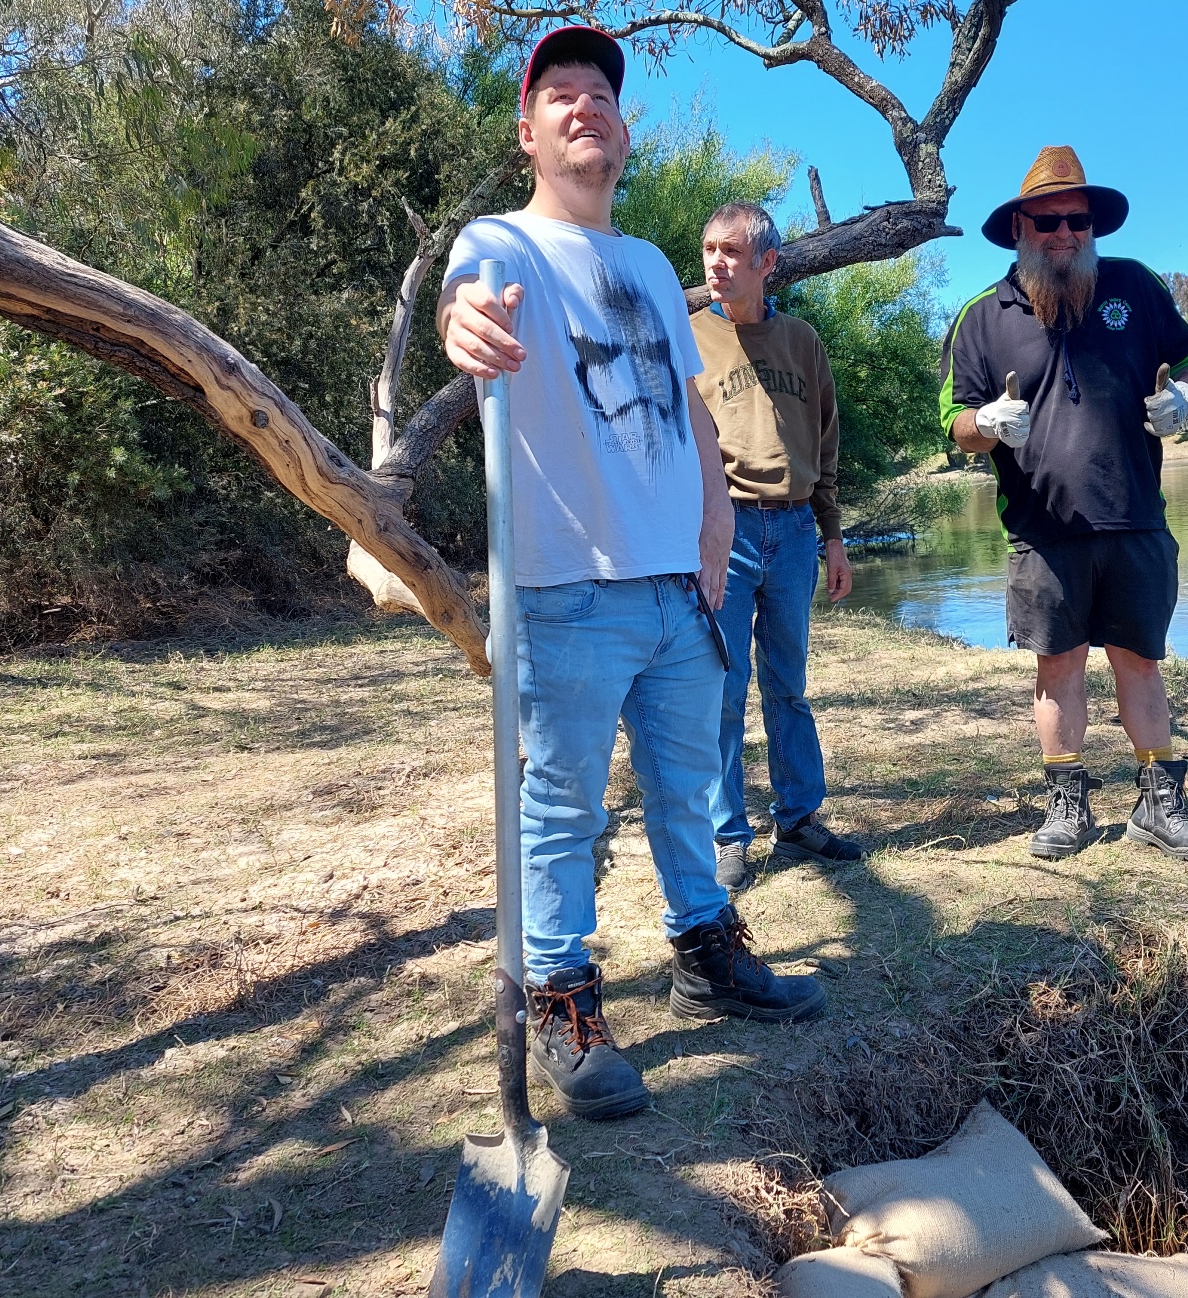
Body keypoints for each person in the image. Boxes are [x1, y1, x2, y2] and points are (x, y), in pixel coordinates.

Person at [435, 26, 824, 1123]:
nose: (583, 107)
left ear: (621, 127)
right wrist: (462, 325)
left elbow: (694, 414)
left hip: (674, 588)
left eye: (599, 94)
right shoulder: (500, 245)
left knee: (693, 789)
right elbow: (462, 308)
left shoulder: (654, 266)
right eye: (558, 95)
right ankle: (560, 1002)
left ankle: (706, 952)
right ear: (527, 130)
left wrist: (710, 551)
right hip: (566, 587)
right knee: (558, 807)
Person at [940, 145, 1188, 864]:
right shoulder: (983, 316)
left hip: (1135, 516)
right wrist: (987, 424)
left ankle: (1160, 801)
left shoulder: (1135, 286)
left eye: (1077, 221)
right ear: (1019, 230)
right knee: (1057, 667)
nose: (1065, 234)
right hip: (1042, 530)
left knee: (1141, 660)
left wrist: (1184, 399)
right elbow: (954, 421)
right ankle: (1067, 801)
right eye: (1048, 222)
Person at [690, 202, 866, 891]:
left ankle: (797, 818)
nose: (717, 263)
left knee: (787, 685)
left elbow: (825, 446)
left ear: (768, 263)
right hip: (723, 529)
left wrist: (833, 538)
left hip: (793, 530)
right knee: (724, 688)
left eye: (733, 252)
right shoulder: (688, 336)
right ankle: (727, 834)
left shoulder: (802, 341)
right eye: (710, 249)